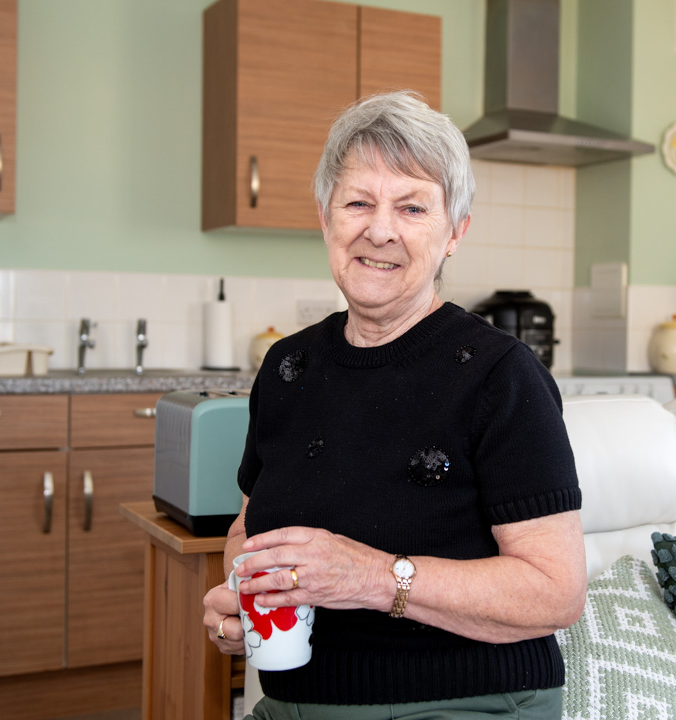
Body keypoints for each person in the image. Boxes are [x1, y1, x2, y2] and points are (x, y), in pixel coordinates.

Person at [203, 90, 586, 720]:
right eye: (358, 202)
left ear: (454, 232)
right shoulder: (287, 368)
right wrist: (238, 603)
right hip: (294, 704)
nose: (380, 230)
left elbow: (556, 592)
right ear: (326, 218)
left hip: (465, 703)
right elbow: (249, 531)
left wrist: (373, 577)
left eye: (412, 207)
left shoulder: (500, 375)